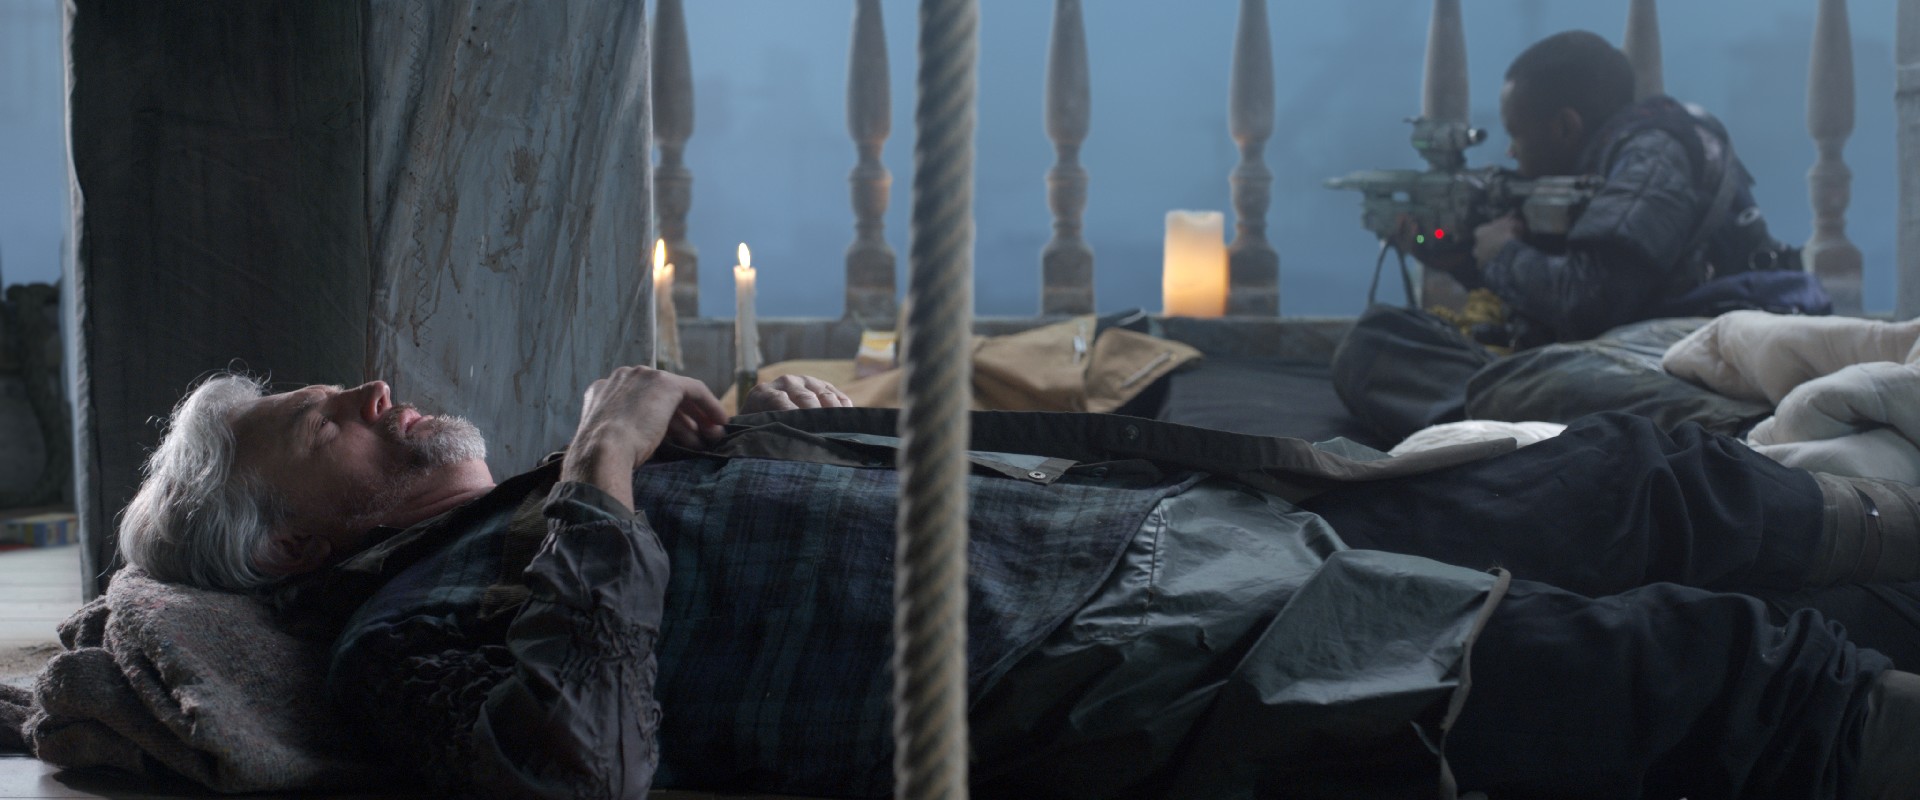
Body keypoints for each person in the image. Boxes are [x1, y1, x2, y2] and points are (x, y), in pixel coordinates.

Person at [116, 366, 1920, 798]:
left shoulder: (557, 509)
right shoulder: (411, 631)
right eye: (314, 424)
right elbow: (569, 754)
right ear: (292, 547)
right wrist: (600, 462)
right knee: (1714, 675)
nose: (370, 391)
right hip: (1157, 662)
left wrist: (735, 436)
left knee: (1627, 487)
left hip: (1186, 540)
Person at [1332, 30, 1822, 443]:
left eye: (1517, 133)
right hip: (1664, 351)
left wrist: (1502, 256)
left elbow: (1589, 301)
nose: (1511, 152)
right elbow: (1602, 292)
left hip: (1704, 354)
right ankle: (1503, 420)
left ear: (1566, 126)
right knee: (1385, 339)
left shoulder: (1652, 156)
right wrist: (1460, 261)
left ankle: (1736, 435)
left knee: (1405, 353)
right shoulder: (1623, 158)